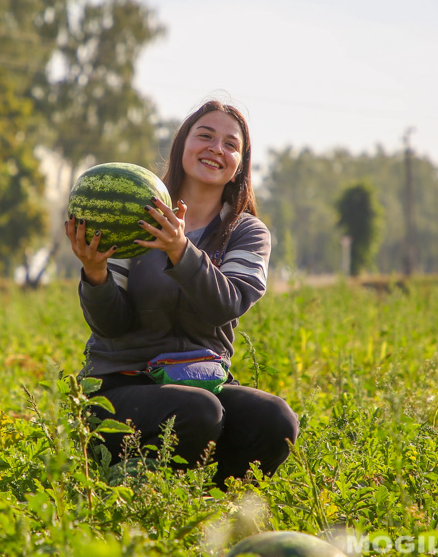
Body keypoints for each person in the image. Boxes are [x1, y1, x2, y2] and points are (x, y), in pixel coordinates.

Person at [64, 99, 298, 489]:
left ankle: (215, 517)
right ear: (182, 145)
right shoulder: (135, 217)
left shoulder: (247, 233)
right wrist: (95, 273)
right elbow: (111, 325)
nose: (216, 148)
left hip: (201, 381)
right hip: (120, 389)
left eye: (230, 144)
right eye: (205, 135)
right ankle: (135, 499)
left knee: (275, 419)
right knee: (197, 410)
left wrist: (180, 250)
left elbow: (226, 303)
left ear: (240, 163)